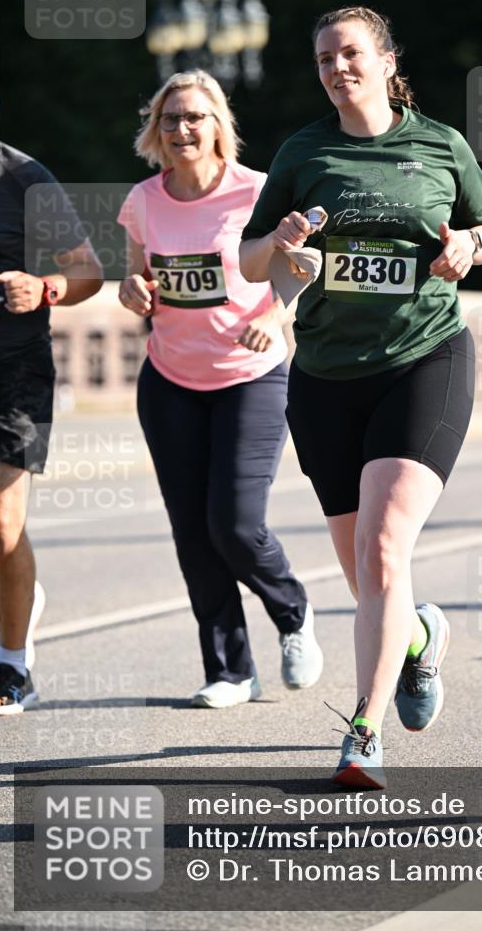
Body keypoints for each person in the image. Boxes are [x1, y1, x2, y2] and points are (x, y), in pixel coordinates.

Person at [240, 7, 482, 787]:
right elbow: (252, 263)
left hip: (424, 360)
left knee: (385, 548)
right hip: (323, 376)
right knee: (366, 573)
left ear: (386, 61)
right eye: (323, 58)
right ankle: (419, 639)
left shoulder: (439, 144)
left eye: (351, 53)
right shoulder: (302, 151)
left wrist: (465, 245)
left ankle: (363, 731)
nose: (336, 67)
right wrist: (278, 245)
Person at [117, 69, 323, 709]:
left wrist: (275, 313)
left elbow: (305, 269)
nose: (182, 129)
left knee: (233, 523)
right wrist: (133, 292)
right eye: (171, 118)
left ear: (217, 126)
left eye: (195, 117)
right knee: (191, 530)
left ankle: (293, 613)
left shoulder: (256, 193)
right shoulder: (144, 201)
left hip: (250, 378)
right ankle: (231, 669)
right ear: (157, 129)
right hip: (170, 382)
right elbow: (136, 280)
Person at [0, 100, 103, 715]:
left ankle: (13, 662)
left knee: (2, 525)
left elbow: (86, 271)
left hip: (13, 369)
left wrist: (44, 288)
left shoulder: (25, 179)